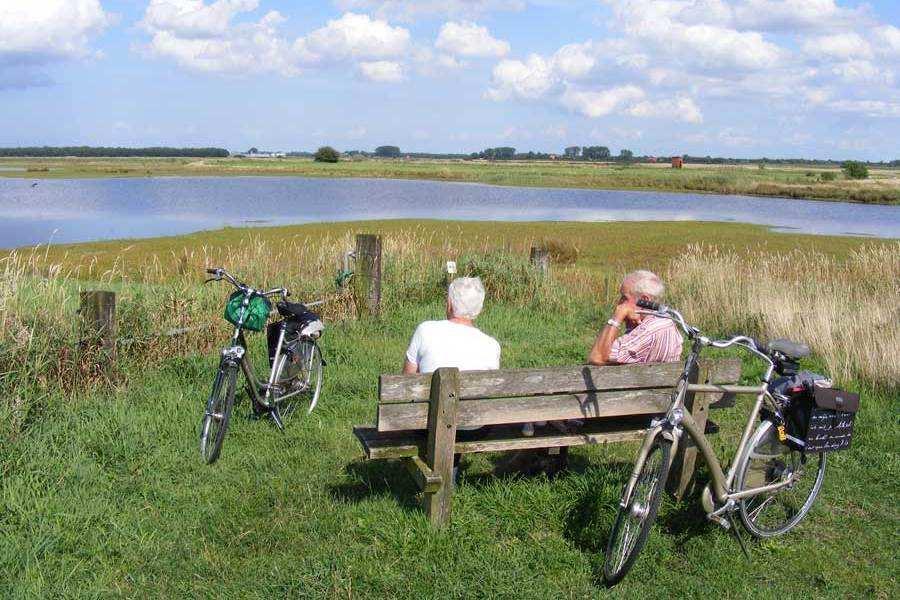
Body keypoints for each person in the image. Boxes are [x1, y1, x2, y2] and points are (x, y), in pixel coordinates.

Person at [403, 276, 500, 375]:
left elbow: (407, 380)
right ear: (479, 309)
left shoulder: (425, 331)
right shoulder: (492, 346)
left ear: (449, 304)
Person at [587, 270, 683, 365]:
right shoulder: (664, 320)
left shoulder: (651, 329)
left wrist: (617, 317)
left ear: (644, 300)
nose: (619, 304)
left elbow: (597, 357)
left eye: (624, 298)